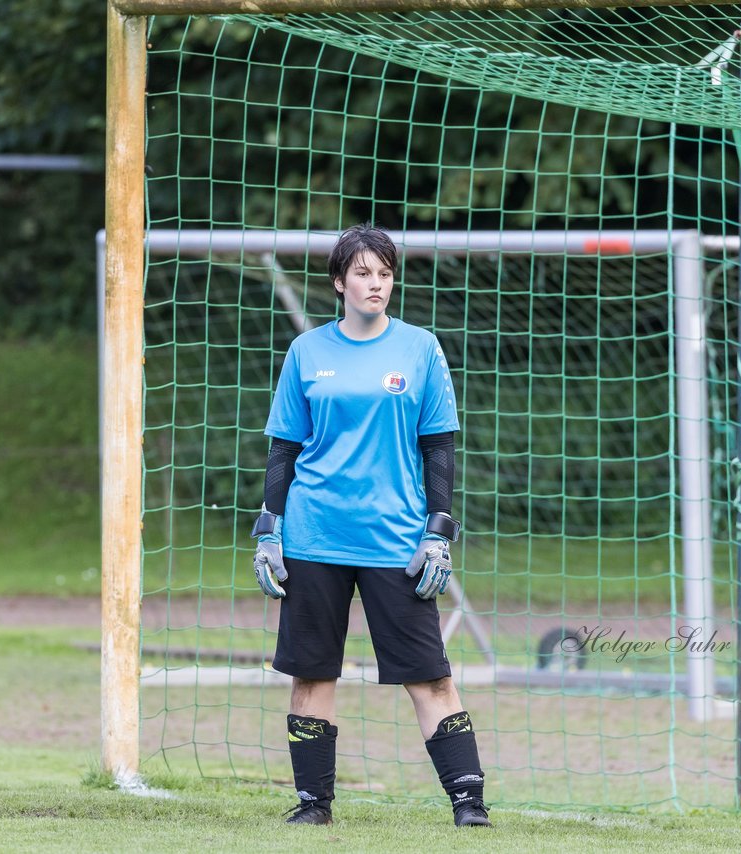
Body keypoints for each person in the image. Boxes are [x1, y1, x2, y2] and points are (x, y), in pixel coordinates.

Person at [250, 223, 490, 828]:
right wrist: (269, 531)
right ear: (339, 282)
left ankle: (469, 805)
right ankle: (314, 806)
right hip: (314, 537)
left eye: (383, 273)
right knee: (311, 673)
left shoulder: (420, 348)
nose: (375, 283)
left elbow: (439, 447)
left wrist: (438, 530)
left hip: (395, 540)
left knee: (431, 678)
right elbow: (284, 450)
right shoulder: (307, 352)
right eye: (362, 272)